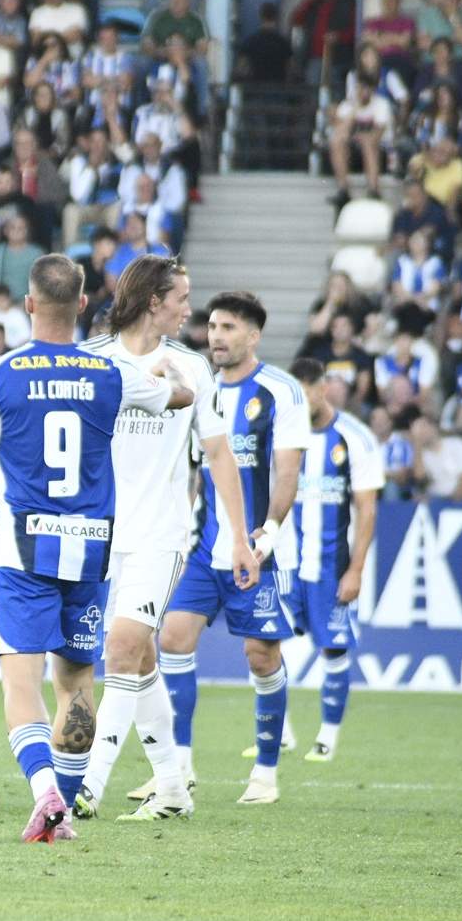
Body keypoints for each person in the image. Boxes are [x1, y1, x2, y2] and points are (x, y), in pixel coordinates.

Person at [0, 254, 193, 844]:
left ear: (29, 305)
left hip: (24, 551)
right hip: (90, 551)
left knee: (20, 685)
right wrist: (163, 377)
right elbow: (182, 398)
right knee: (77, 685)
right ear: (83, 305)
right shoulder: (110, 373)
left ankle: (45, 794)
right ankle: (65, 798)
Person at [73, 257, 258, 822]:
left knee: (122, 648)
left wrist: (241, 538)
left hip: (162, 534)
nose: (190, 309)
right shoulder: (93, 361)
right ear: (154, 301)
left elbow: (220, 453)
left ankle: (88, 788)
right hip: (100, 535)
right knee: (143, 654)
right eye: (182, 297)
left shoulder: (192, 368)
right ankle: (173, 786)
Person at [140, 291, 311, 808]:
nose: (216, 335)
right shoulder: (198, 387)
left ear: (253, 336)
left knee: (261, 656)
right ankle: (179, 768)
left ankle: (264, 772)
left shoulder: (280, 391)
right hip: (205, 546)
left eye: (229, 327)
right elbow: (198, 470)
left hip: (262, 551)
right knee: (171, 638)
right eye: (212, 326)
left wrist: (270, 530)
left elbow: (287, 471)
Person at [285, 359, 383, 763]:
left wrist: (356, 569)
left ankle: (327, 737)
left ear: (323, 388)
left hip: (329, 564)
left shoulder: (353, 437)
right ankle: (281, 733)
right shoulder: (283, 434)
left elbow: (367, 510)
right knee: (266, 645)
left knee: (334, 650)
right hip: (287, 562)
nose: (302, 400)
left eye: (308, 391)